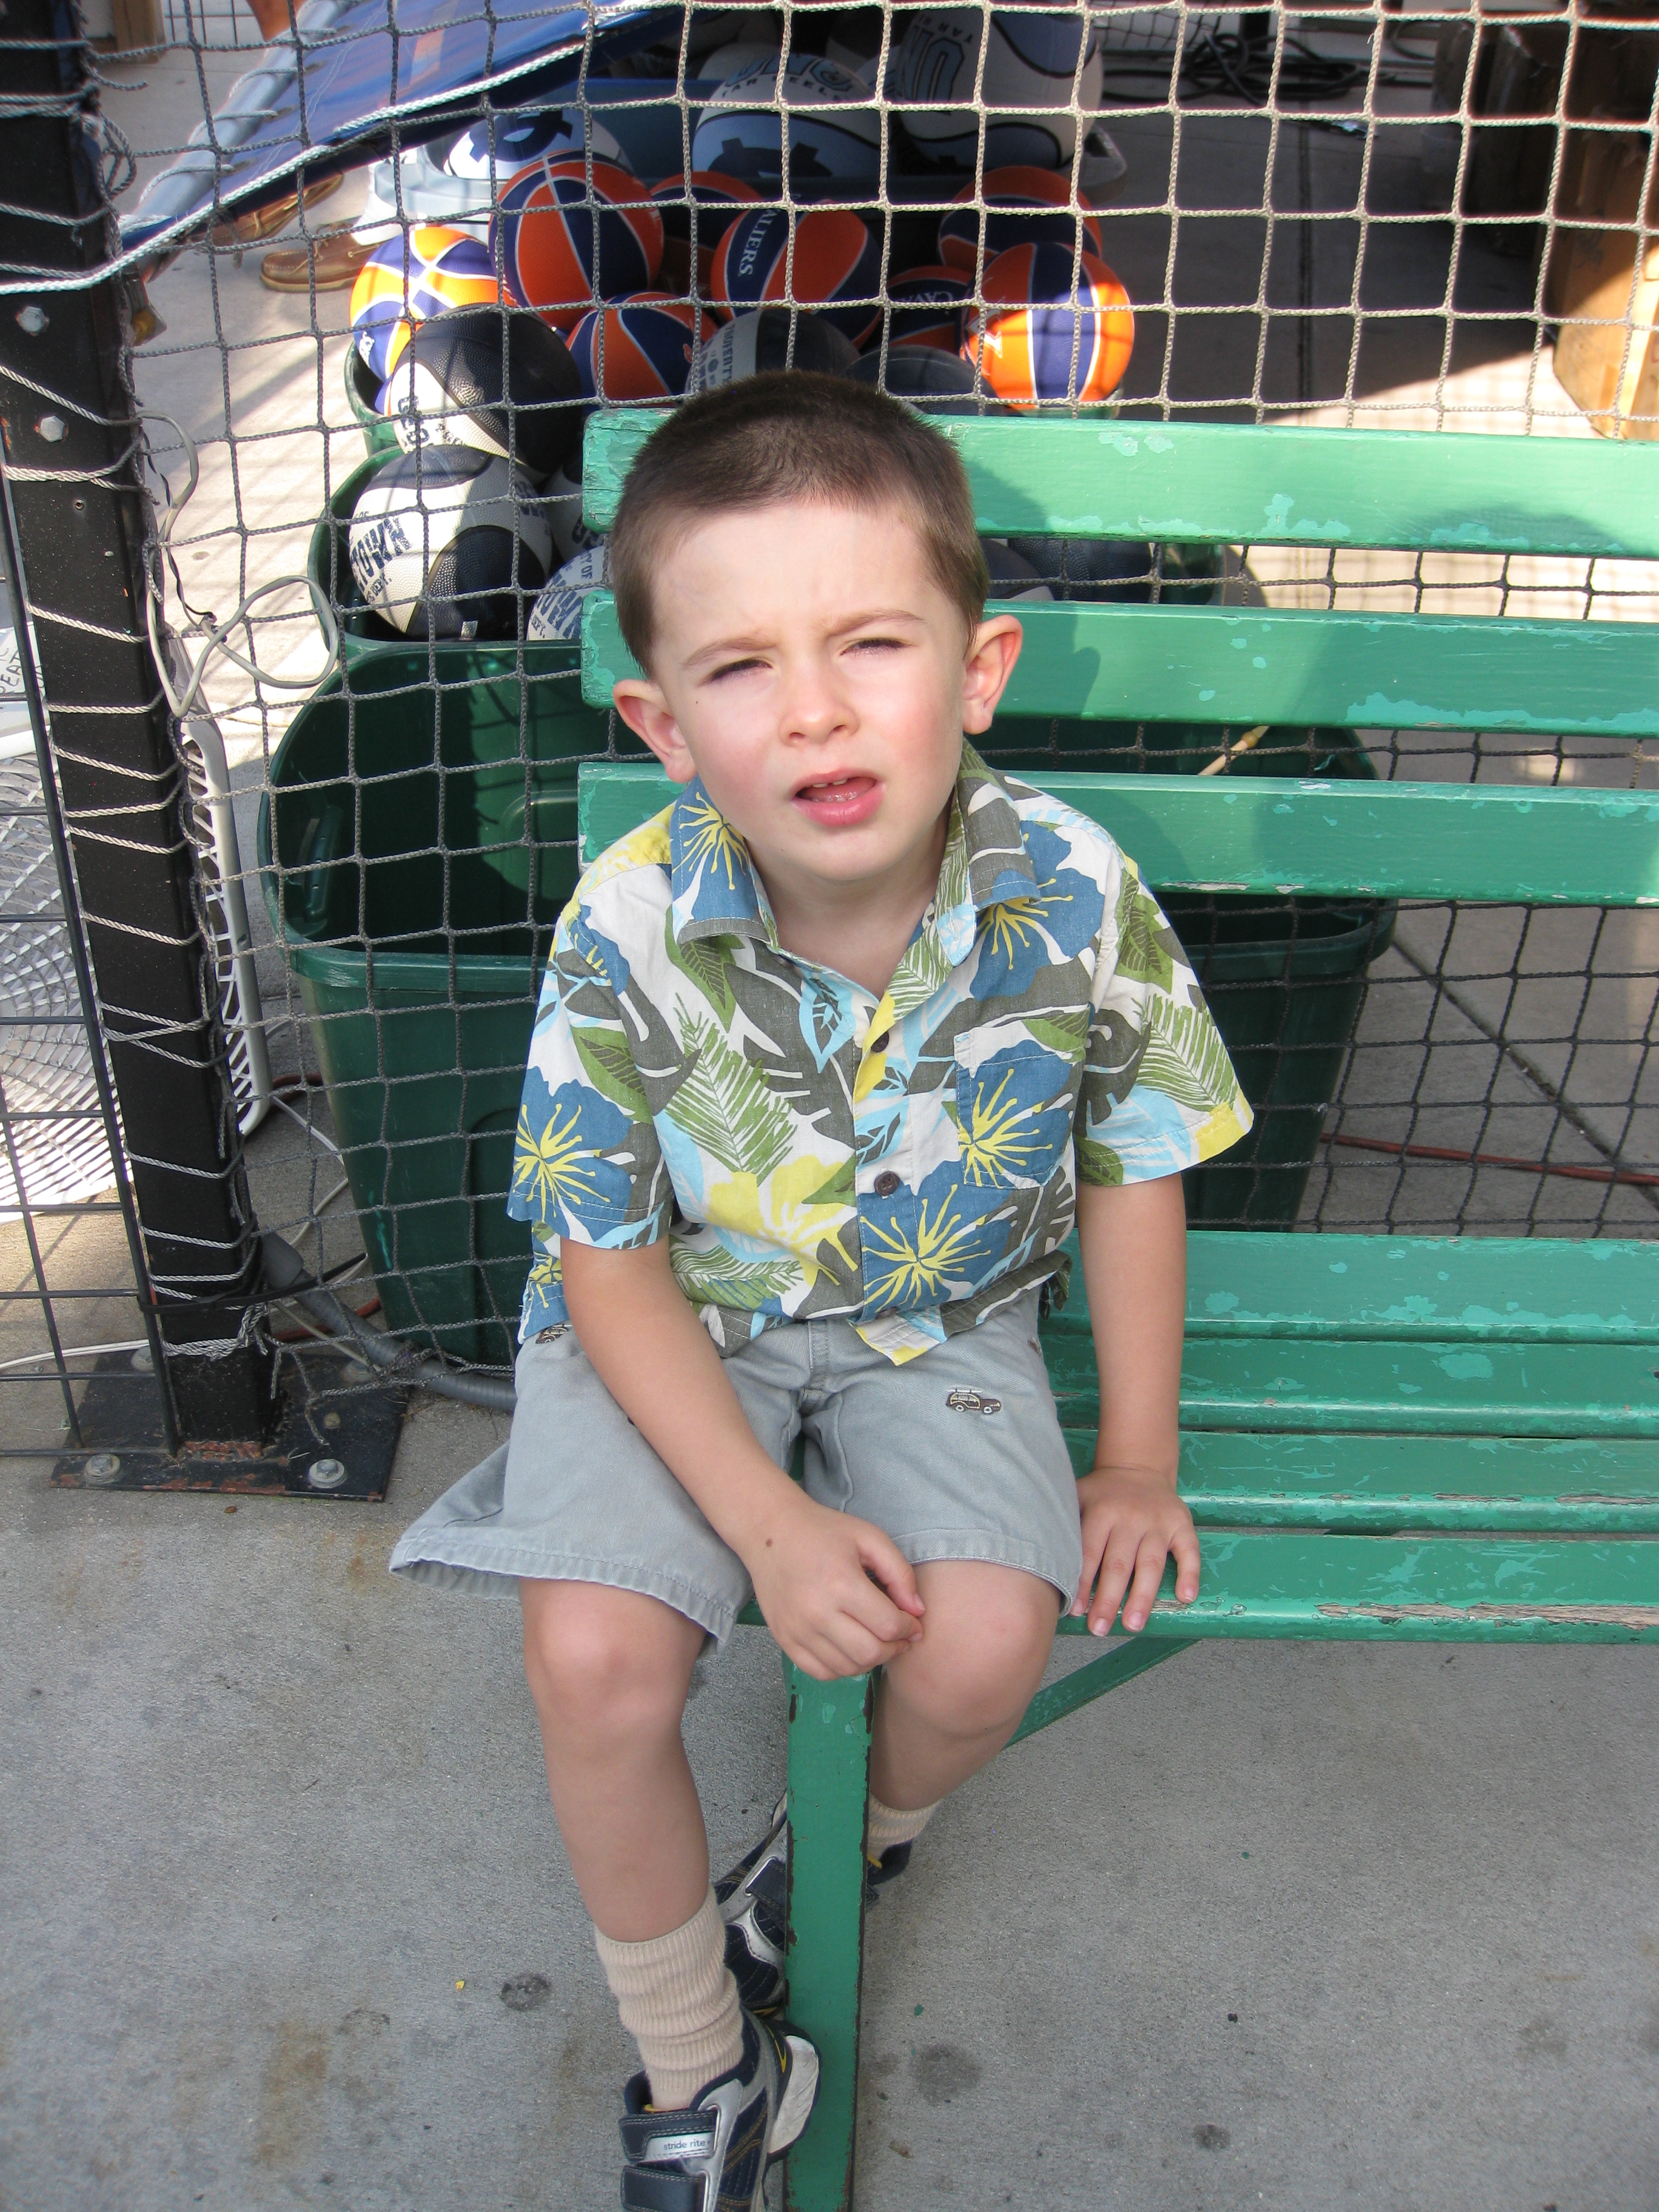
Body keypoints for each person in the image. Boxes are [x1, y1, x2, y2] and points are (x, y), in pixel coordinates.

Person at [390, 372, 1252, 2208]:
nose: (815, 709)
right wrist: (769, 1526)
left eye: (870, 642)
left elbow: (1136, 1161)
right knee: (596, 1659)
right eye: (740, 667)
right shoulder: (624, 926)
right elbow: (607, 1262)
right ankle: (705, 2070)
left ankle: (837, 1852)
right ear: (663, 723)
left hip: (943, 1320)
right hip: (674, 1324)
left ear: (979, 669)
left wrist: (1137, 1456)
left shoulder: (1072, 893)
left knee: (988, 1641)